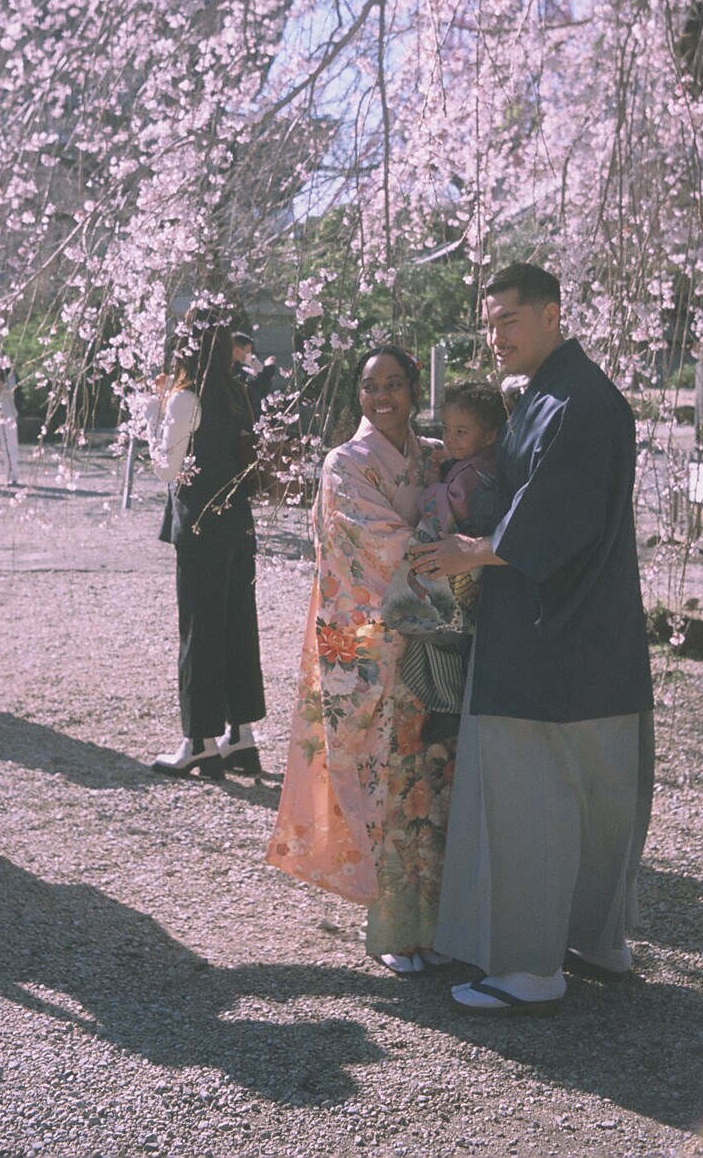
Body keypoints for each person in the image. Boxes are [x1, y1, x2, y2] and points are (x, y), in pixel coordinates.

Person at [412, 263, 654, 1016]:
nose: (494, 337)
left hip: (544, 632)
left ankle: (528, 964)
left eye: (507, 320)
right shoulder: (562, 396)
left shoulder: (577, 401)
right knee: (598, 789)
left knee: (529, 795)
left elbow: (555, 514)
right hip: (594, 633)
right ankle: (594, 937)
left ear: (552, 314)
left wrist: (470, 552)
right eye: (487, 324)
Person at [266, 345, 454, 976]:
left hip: (431, 637)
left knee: (436, 772)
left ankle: (445, 920)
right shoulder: (345, 462)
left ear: (413, 388)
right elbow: (372, 546)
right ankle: (396, 928)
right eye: (372, 387)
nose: (384, 397)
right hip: (371, 640)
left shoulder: (434, 454)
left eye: (396, 384)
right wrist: (460, 558)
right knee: (387, 776)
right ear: (358, 397)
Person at [146, 316, 266, 778]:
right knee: (238, 624)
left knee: (199, 627)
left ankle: (198, 739)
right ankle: (241, 735)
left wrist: (154, 410)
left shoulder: (184, 398)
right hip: (237, 522)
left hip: (199, 526)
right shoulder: (236, 393)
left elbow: (164, 468)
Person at [381, 380, 507, 728]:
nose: (450, 438)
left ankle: (446, 713)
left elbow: (455, 511)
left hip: (460, 566)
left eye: (461, 431)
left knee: (441, 637)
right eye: (447, 429)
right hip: (462, 568)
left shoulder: (477, 475)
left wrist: (434, 487)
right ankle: (443, 714)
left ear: (490, 435)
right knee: (440, 638)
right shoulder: (477, 464)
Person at [231, 331, 278, 420]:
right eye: (247, 351)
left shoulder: (243, 366)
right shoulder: (233, 370)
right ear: (237, 349)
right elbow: (255, 386)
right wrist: (268, 369)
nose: (249, 354)